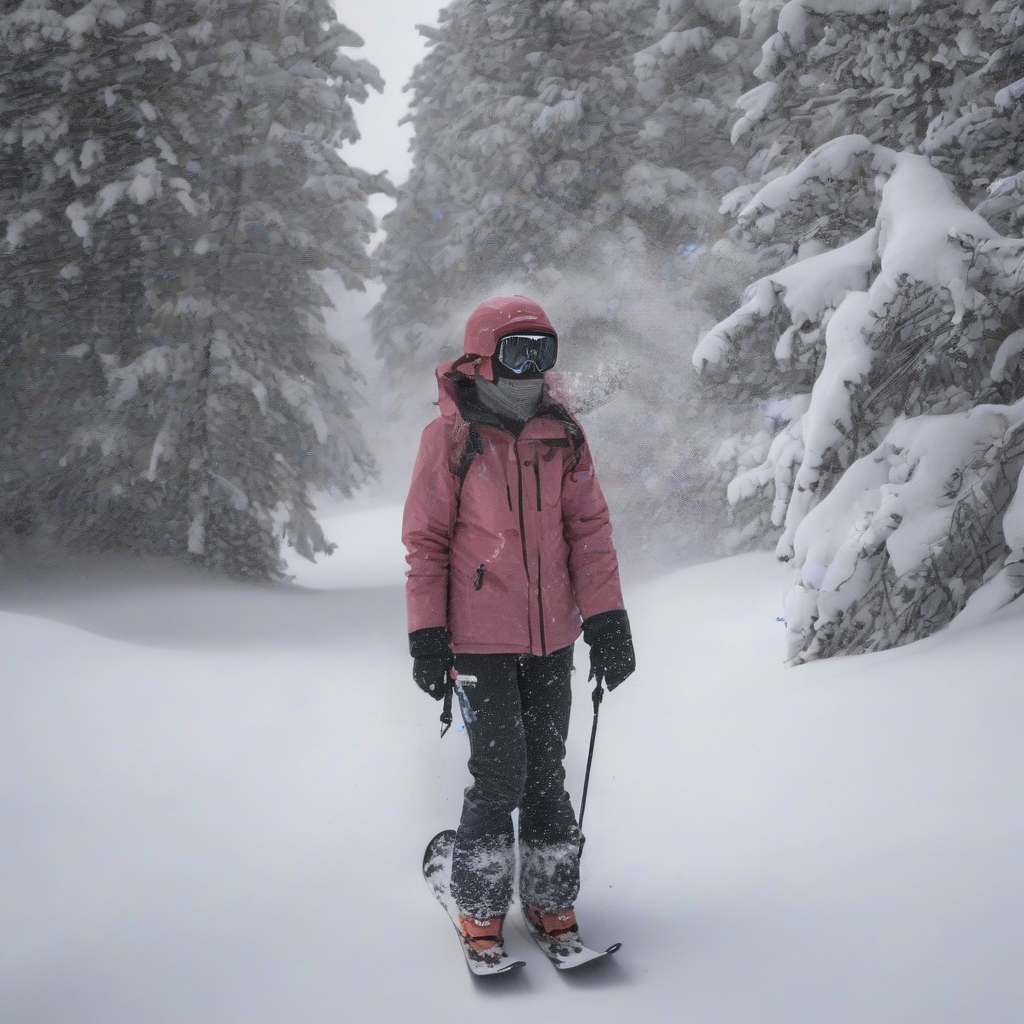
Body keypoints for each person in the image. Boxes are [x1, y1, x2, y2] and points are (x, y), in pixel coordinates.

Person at [402, 294, 635, 954]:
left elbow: (588, 532)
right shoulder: (451, 436)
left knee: (546, 774)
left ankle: (550, 900)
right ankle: (479, 908)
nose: (532, 366)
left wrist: (608, 619)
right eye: (518, 351)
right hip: (478, 642)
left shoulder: (563, 433)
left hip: (553, 637)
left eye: (544, 350)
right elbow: (425, 542)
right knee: (501, 775)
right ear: (482, 357)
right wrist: (427, 635)